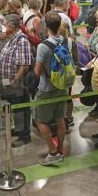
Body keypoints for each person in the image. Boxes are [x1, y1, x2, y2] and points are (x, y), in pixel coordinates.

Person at [34, 12, 71, 165]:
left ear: (46, 26)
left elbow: (37, 72)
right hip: (62, 86)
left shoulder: (43, 46)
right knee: (59, 118)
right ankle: (61, 148)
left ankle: (53, 152)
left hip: (46, 88)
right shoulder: (67, 41)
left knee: (40, 120)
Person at [0, 14, 33, 148]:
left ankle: (24, 135)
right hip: (9, 83)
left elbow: (24, 65)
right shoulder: (12, 38)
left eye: (5, 24)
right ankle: (19, 129)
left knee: (21, 109)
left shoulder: (22, 40)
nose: (3, 27)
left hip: (17, 84)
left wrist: (16, 80)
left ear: (11, 27)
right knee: (15, 108)